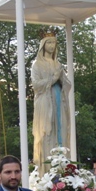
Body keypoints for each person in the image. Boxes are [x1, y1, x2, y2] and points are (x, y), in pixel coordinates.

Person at [31, 34, 72, 172]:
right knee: (46, 133)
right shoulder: (37, 64)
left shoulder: (58, 64)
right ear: (43, 45)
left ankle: (63, 168)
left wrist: (61, 79)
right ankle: (47, 170)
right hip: (45, 103)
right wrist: (53, 79)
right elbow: (36, 85)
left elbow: (67, 84)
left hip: (59, 100)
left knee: (61, 129)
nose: (51, 46)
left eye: (54, 43)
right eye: (48, 43)